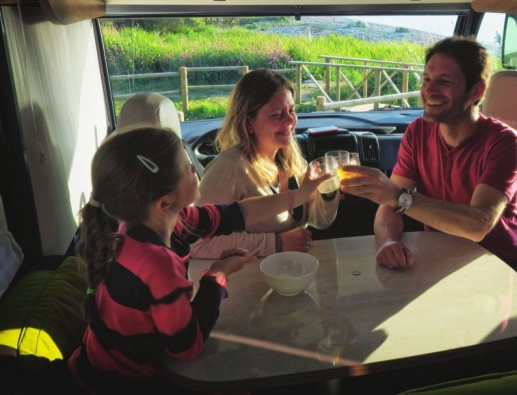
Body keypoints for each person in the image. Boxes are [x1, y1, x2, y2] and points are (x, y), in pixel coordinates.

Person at [68, 126, 330, 394]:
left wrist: (299, 195)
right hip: (122, 385)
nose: (194, 168)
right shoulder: (157, 262)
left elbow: (236, 214)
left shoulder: (163, 222)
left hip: (100, 367)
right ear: (164, 203)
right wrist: (217, 276)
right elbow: (186, 345)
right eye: (187, 168)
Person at [339, 37, 517, 288]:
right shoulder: (417, 131)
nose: (429, 91)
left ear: (477, 91)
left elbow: (478, 225)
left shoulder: (506, 143)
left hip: (502, 266)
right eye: (426, 80)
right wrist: (388, 241)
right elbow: (389, 206)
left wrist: (399, 198)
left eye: (444, 82)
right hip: (442, 260)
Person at [191, 69, 339, 259]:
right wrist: (276, 243)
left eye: (292, 110)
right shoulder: (228, 168)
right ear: (248, 123)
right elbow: (199, 243)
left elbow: (318, 221)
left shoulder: (291, 159)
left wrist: (328, 190)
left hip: (292, 271)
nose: (290, 120)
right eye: (276, 115)